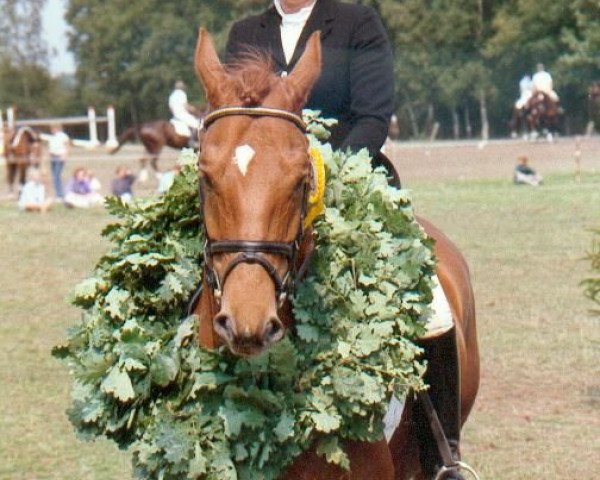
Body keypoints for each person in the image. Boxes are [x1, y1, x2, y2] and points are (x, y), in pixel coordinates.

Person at [225, 2, 462, 478]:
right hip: (261, 200)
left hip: (354, 186)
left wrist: (319, 172)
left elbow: (373, 117)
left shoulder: (357, 23)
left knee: (433, 305)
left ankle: (443, 455)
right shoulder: (245, 32)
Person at [47, 123, 70, 200]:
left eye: (52, 128)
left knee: (57, 176)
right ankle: (58, 193)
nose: (51, 130)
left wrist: (65, 155)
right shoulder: (52, 137)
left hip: (59, 157)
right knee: (54, 176)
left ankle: (60, 194)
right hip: (53, 157)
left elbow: (67, 145)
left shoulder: (63, 136)